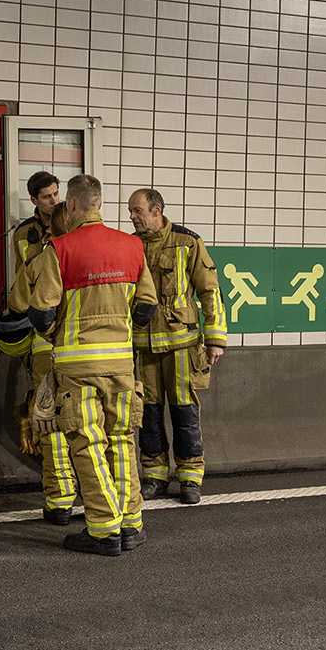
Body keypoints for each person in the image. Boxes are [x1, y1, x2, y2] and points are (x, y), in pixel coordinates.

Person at [22, 175, 157, 556]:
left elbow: (41, 312)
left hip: (77, 367)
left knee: (88, 444)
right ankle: (131, 524)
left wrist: (57, 336)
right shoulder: (131, 246)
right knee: (122, 441)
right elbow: (146, 307)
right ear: (99, 203)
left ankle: (102, 529)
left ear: (72, 205)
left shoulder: (59, 249)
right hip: (121, 365)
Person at [127, 189, 227, 504]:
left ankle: (190, 477)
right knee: (149, 413)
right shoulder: (130, 246)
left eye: (137, 211)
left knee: (185, 411)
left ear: (157, 209)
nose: (132, 217)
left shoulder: (188, 242)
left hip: (183, 346)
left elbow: (210, 291)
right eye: (130, 211)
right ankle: (154, 475)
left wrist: (215, 339)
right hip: (142, 346)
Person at [5, 171, 80, 522]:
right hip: (48, 342)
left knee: (60, 419)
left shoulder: (72, 237)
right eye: (46, 197)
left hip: (62, 338)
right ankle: (65, 497)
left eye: (56, 195)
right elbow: (21, 290)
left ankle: (65, 496)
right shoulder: (25, 236)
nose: (53, 201)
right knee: (51, 418)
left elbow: (22, 297)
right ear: (34, 200)